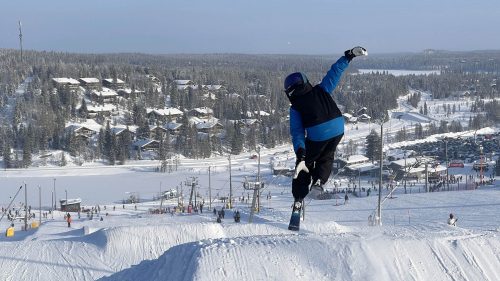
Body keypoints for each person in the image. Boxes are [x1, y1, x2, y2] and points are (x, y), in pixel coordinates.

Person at [285, 46, 367, 208]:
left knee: (306, 162)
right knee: (327, 155)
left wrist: (301, 153)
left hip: (318, 132)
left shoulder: (295, 107)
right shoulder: (321, 89)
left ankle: (299, 197)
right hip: (338, 128)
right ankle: (319, 182)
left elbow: (297, 133)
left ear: (289, 91)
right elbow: (334, 73)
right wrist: (348, 56)